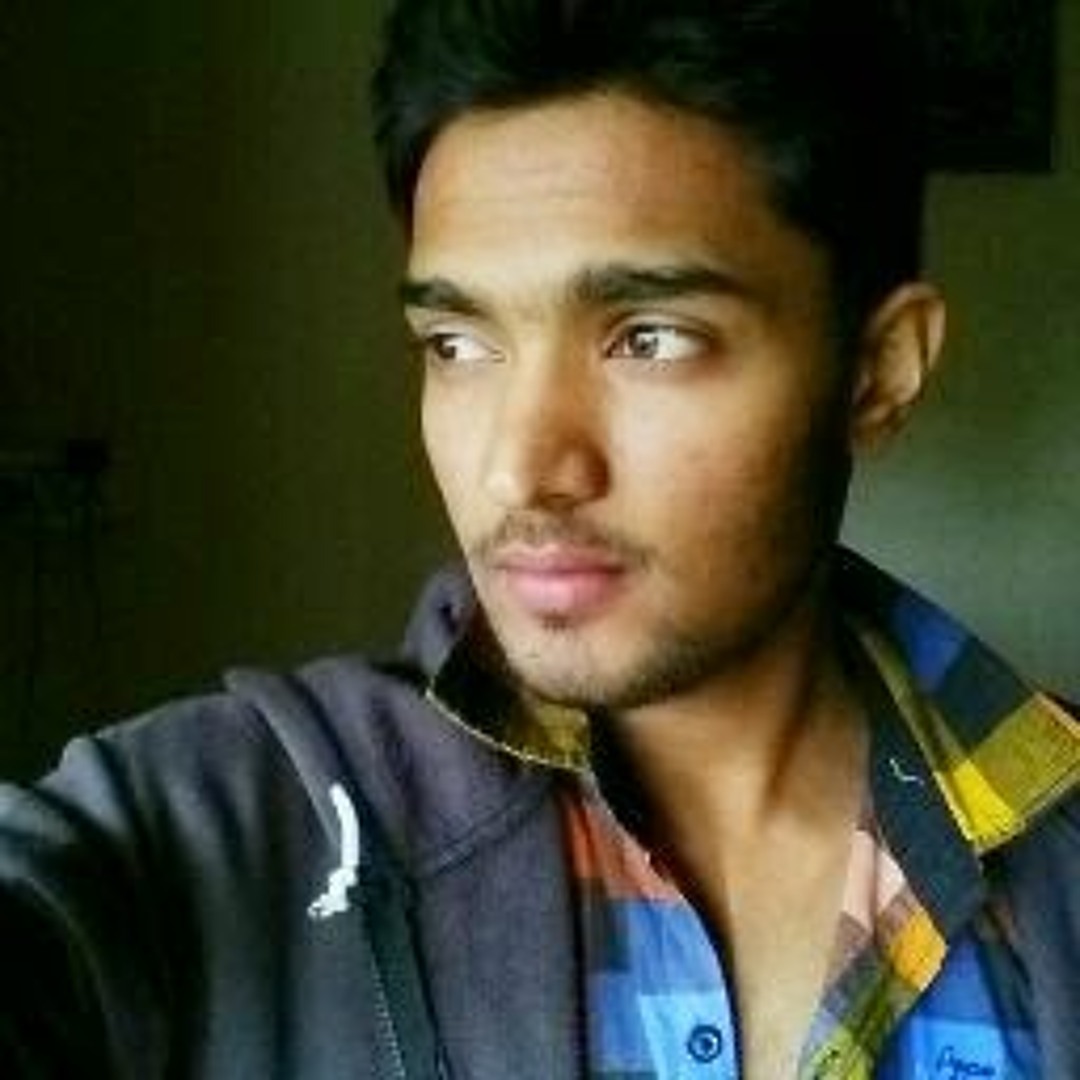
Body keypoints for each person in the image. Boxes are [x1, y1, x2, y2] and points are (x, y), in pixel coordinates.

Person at [2, 0, 1077, 1076]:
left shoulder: (1056, 854)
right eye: (457, 343)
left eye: (648, 338)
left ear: (880, 369)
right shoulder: (241, 823)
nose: (518, 469)